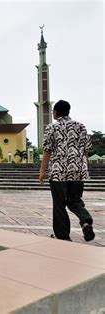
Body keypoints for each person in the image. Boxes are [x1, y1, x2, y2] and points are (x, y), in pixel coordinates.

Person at [39, 100, 95, 242]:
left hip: (58, 172)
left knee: (59, 204)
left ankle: (63, 236)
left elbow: (47, 150)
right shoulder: (81, 127)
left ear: (56, 113)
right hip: (77, 170)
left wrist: (42, 171)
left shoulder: (52, 127)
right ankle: (86, 221)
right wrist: (84, 167)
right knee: (75, 200)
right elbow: (85, 150)